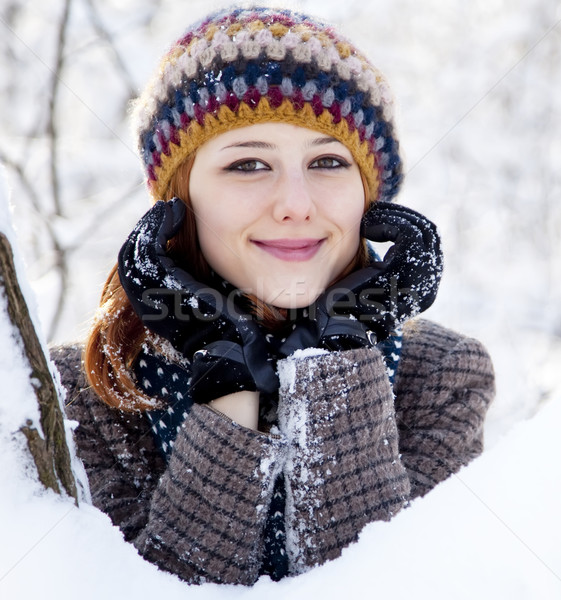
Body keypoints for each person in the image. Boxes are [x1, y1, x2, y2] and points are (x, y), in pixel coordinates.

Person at [52, 5, 495, 586]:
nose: (295, 202)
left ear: (371, 199)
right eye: (249, 164)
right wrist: (226, 387)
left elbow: (394, 587)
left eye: (328, 161)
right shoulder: (78, 397)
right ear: (177, 200)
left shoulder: (442, 378)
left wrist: (335, 361)